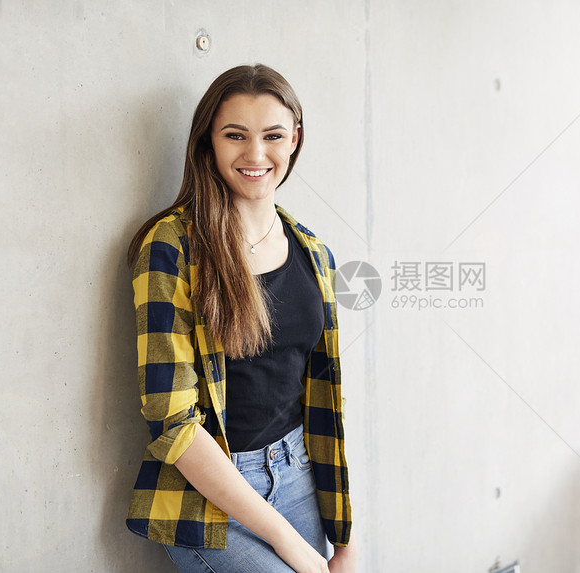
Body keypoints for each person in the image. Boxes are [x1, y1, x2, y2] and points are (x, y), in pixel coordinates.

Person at [124, 64, 356, 573]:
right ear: (209, 140)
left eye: (273, 135)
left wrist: (345, 539)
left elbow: (323, 401)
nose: (255, 155)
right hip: (208, 493)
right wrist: (289, 542)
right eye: (235, 135)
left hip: (299, 474)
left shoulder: (314, 253)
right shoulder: (172, 246)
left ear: (294, 139)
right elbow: (173, 423)